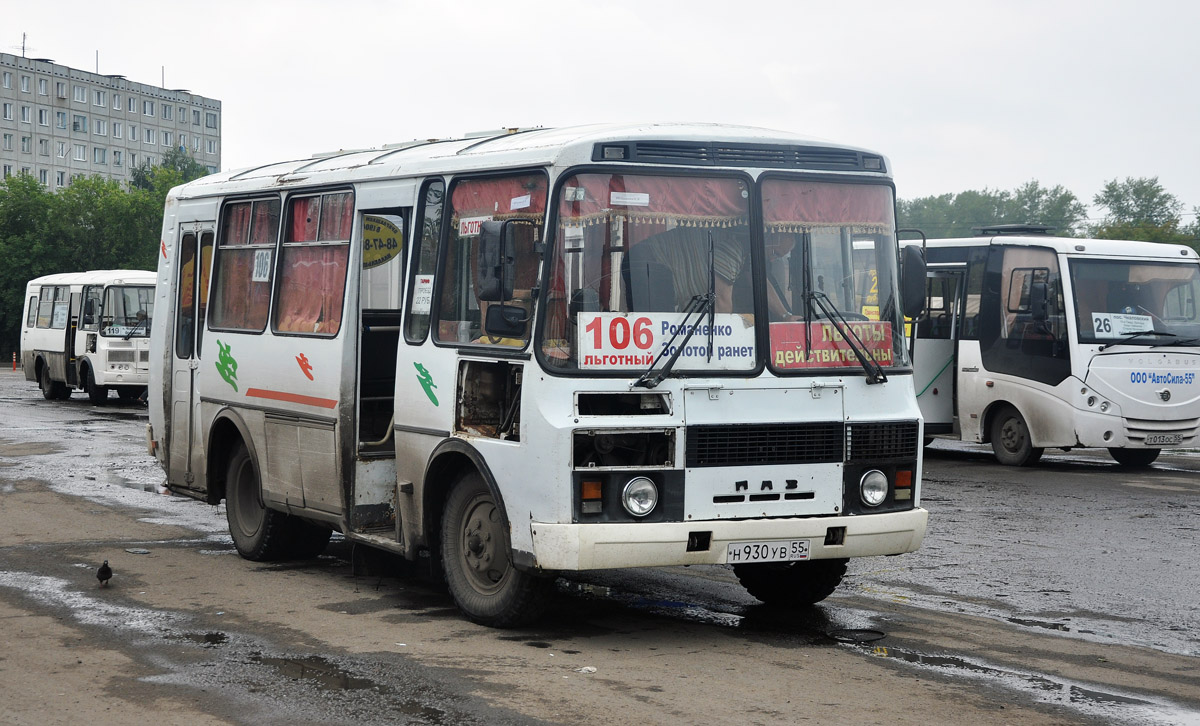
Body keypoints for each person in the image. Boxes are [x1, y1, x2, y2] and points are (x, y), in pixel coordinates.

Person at [631, 227, 796, 319]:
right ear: (767, 239)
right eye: (775, 254)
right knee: (658, 325)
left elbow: (760, 281)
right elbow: (722, 302)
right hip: (649, 260)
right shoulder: (734, 247)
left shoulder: (747, 250)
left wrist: (786, 315)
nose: (772, 260)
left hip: (646, 258)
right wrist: (727, 339)